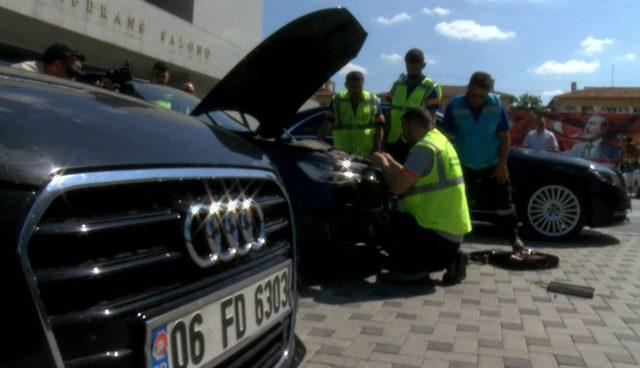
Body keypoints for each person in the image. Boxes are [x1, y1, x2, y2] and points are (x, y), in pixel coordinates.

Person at [371, 108, 471, 284]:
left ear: (412, 126)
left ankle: (414, 270)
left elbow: (398, 187)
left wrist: (383, 165)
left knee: (382, 219)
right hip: (449, 236)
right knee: (403, 223)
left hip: (434, 236)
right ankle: (451, 259)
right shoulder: (440, 142)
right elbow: (414, 176)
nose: (403, 134)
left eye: (403, 128)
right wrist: (391, 162)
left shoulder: (423, 148)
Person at [442, 71, 525, 251]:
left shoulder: (497, 104)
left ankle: (514, 239)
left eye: (481, 96)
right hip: (463, 165)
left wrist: (502, 165)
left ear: (488, 93)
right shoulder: (455, 104)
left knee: (504, 204)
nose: (477, 99)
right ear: (468, 87)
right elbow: (445, 138)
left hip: (492, 165)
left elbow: (505, 137)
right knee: (459, 204)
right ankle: (453, 244)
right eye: (473, 94)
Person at [386, 48, 442, 162]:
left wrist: (430, 142)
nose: (412, 70)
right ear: (406, 64)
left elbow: (432, 117)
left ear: (423, 65)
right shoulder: (397, 85)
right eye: (409, 67)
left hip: (416, 140)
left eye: (416, 67)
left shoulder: (430, 88)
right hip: (394, 139)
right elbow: (389, 111)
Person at [316, 71, 385, 156]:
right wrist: (318, 142)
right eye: (352, 87)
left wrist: (377, 149)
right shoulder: (338, 100)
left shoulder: (372, 100)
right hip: (342, 152)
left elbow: (379, 126)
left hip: (365, 152)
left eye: (359, 87)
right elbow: (328, 123)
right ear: (346, 85)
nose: (356, 90)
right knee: (342, 169)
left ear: (363, 84)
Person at [11, 43, 85, 80]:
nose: (74, 78)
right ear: (56, 66)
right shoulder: (24, 74)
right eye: (73, 71)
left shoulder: (52, 81)